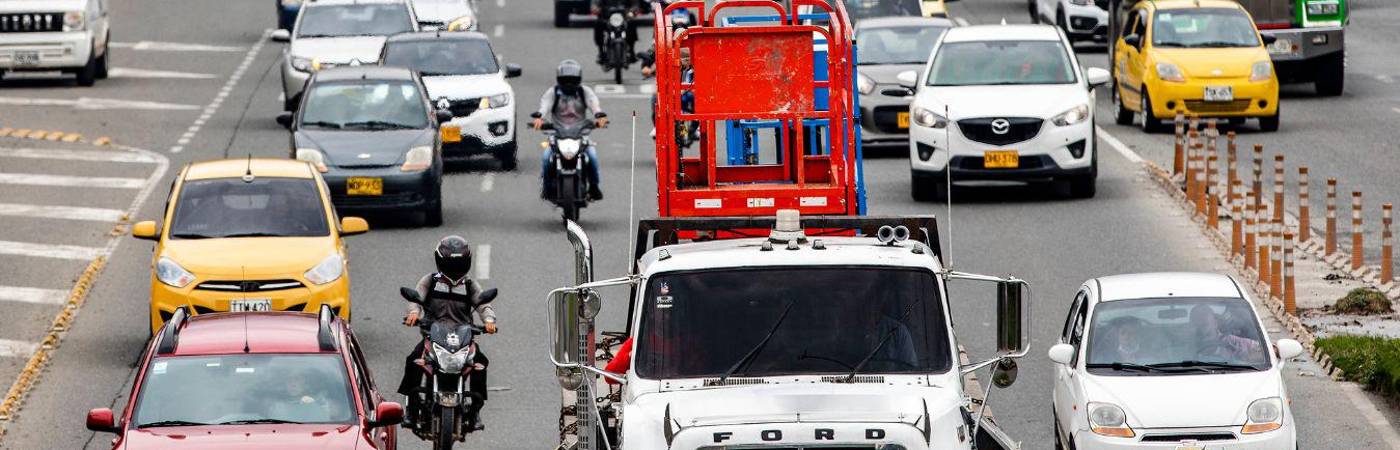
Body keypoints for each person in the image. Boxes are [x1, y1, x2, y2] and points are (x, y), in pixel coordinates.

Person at [398, 235, 498, 431]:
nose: (455, 268)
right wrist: (413, 313)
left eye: (459, 263)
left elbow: (483, 305)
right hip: (433, 336)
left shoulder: (470, 285)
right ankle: (410, 408)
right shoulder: (430, 281)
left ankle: (475, 410)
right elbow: (416, 300)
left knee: (480, 364)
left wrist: (489, 321)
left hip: (463, 337)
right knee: (413, 361)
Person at [532, 59, 608, 201]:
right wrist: (539, 118)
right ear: (559, 79)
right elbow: (544, 106)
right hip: (557, 134)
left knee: (592, 157)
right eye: (565, 80)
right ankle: (547, 188)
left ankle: (594, 187)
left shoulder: (584, 91)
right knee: (546, 159)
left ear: (578, 80)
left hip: (581, 134)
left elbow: (594, 104)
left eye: (572, 80)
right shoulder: (553, 92)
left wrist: (599, 116)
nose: (569, 84)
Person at [1189, 304, 1262, 361]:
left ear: (1215, 323)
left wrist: (1248, 357)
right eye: (1197, 324)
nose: (1201, 328)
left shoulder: (1233, 342)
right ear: (1192, 326)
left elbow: (1261, 350)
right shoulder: (1186, 345)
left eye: (1204, 324)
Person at [592, 0, 641, 65]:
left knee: (632, 23)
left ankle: (632, 51)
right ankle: (601, 52)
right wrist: (596, 8)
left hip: (624, 18)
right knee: (598, 24)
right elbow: (596, 3)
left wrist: (632, 10)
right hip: (607, 18)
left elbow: (635, 3)